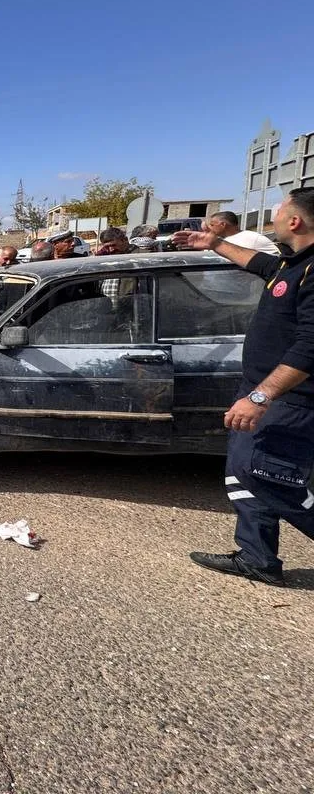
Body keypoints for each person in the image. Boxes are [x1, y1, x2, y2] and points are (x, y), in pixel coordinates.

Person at [173, 189, 314, 587]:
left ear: (294, 222)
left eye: (280, 209)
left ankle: (259, 555)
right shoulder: (293, 262)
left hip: (289, 398)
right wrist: (215, 244)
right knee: (241, 471)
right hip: (260, 390)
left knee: (266, 474)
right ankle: (257, 557)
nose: (273, 215)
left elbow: (310, 346)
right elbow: (263, 265)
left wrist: (260, 396)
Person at [206, 210, 281, 256]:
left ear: (223, 225)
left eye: (212, 225)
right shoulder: (217, 240)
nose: (209, 227)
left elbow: (277, 259)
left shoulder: (253, 238)